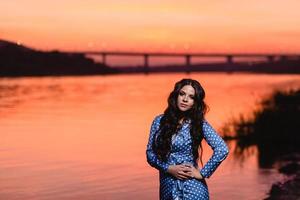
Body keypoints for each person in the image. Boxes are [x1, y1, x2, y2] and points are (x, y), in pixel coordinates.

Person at [146, 78, 229, 200]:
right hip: (167, 188)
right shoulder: (159, 121)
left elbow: (222, 148)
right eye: (182, 94)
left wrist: (202, 173)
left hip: (192, 189)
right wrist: (168, 168)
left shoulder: (198, 124)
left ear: (195, 103)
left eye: (191, 97)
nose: (185, 99)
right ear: (176, 95)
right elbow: (150, 154)